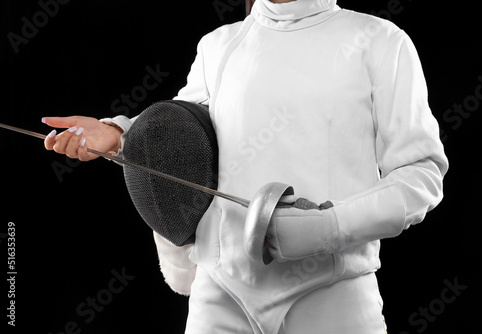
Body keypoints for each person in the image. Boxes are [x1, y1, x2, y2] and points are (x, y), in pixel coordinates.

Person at [42, 0, 448, 333]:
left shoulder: (379, 42)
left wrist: (329, 228)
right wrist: (119, 135)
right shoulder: (220, 45)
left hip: (332, 294)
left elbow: (421, 174)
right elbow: (181, 138)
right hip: (221, 294)